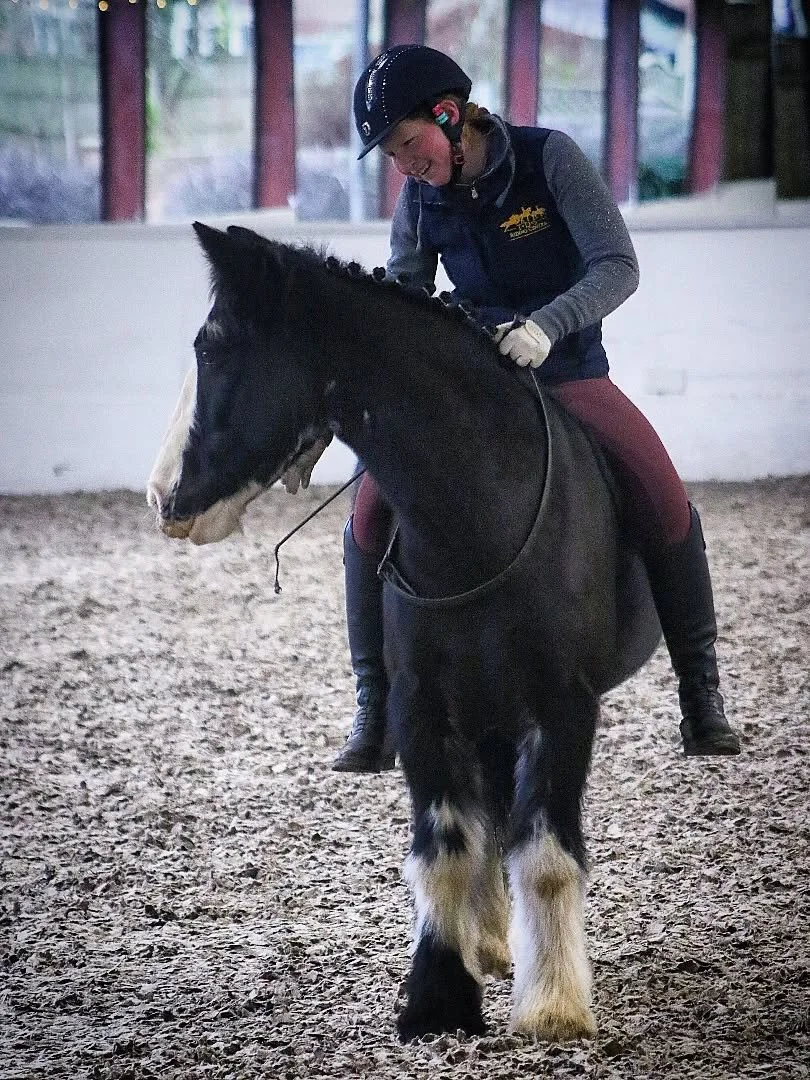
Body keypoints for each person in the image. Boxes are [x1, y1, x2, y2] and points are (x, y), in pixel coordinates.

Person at [285, 44, 741, 771]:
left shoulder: (549, 159)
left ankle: (700, 692)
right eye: (392, 155)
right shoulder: (420, 197)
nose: (404, 165)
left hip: (567, 372)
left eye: (407, 143)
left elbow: (618, 266)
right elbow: (406, 294)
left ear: (449, 114)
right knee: (368, 513)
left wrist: (546, 327)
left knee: (664, 498)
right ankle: (374, 703)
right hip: (469, 388)